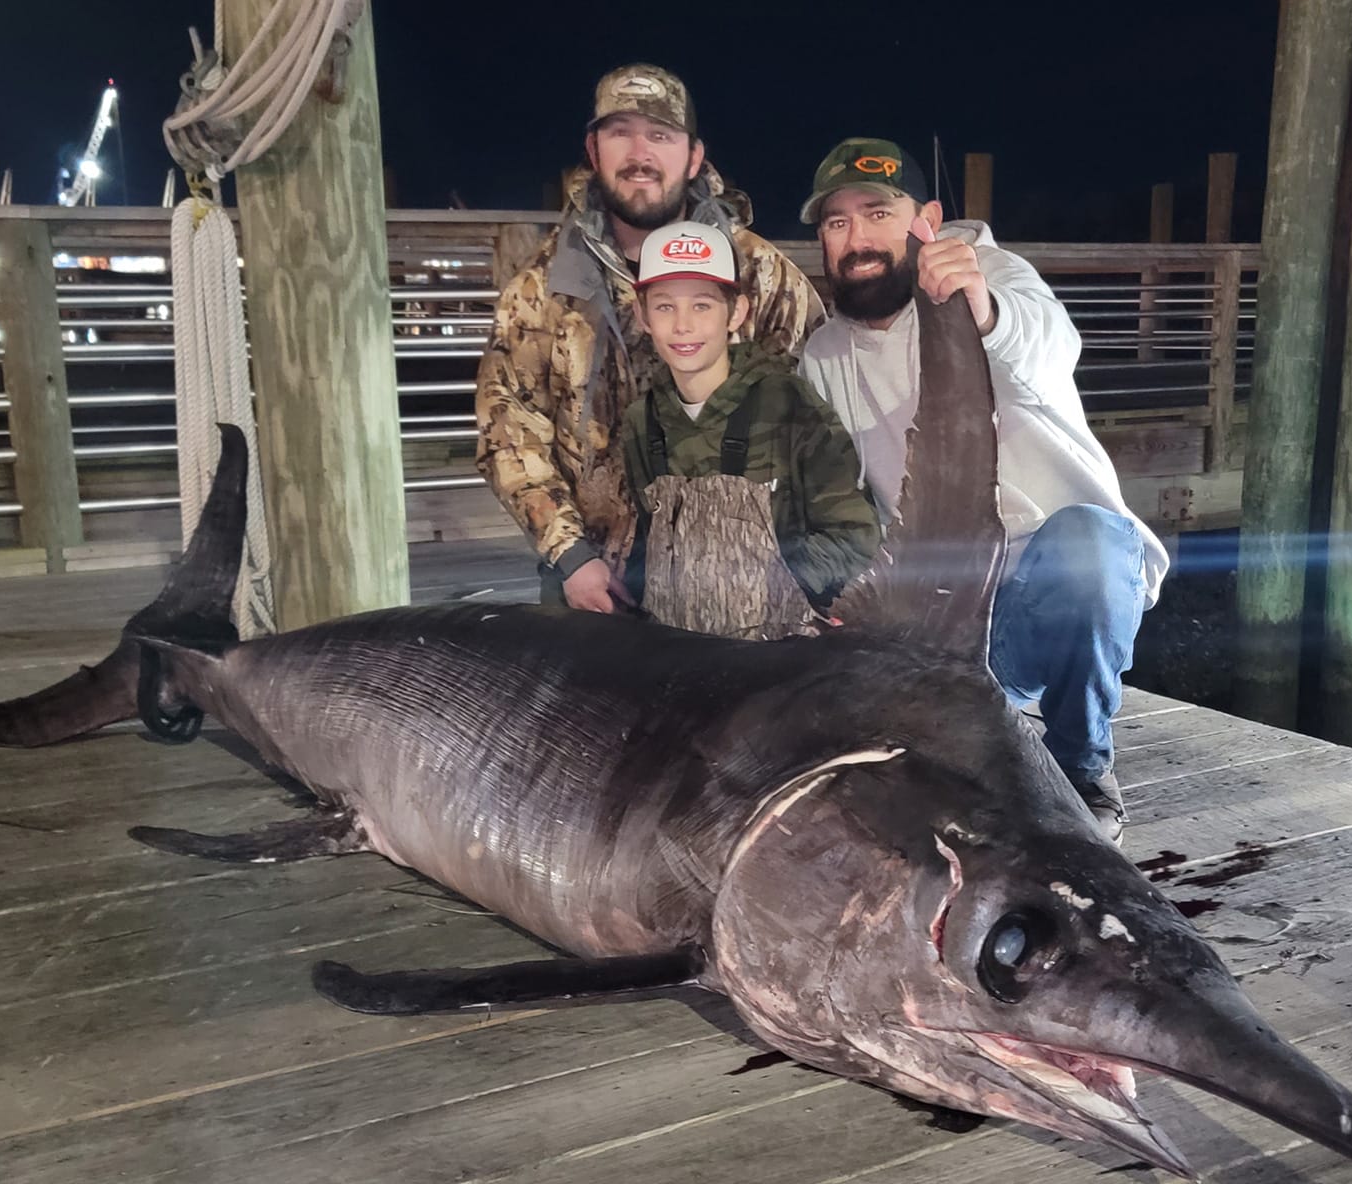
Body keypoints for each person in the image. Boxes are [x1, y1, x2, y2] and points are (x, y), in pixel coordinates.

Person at [796, 139, 1171, 843]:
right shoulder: (824, 356)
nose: (857, 238)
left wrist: (985, 307)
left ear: (927, 219)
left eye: (878, 213)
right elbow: (839, 502)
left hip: (1054, 593)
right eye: (837, 223)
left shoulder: (992, 273)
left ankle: (1082, 764)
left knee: (1090, 543)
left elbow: (1053, 343)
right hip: (942, 617)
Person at [475, 65, 824, 613]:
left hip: (737, 588)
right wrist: (570, 555)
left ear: (694, 156)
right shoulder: (541, 289)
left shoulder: (762, 276)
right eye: (620, 133)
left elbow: (819, 422)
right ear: (594, 151)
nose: (640, 153)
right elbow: (509, 430)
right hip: (591, 586)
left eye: (660, 135)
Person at [618, 221, 879, 638]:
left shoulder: (789, 406)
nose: (683, 326)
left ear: (736, 312)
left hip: (778, 653)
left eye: (702, 305)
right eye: (664, 306)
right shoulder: (641, 422)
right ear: (642, 315)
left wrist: (772, 584)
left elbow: (856, 538)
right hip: (677, 651)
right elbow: (647, 546)